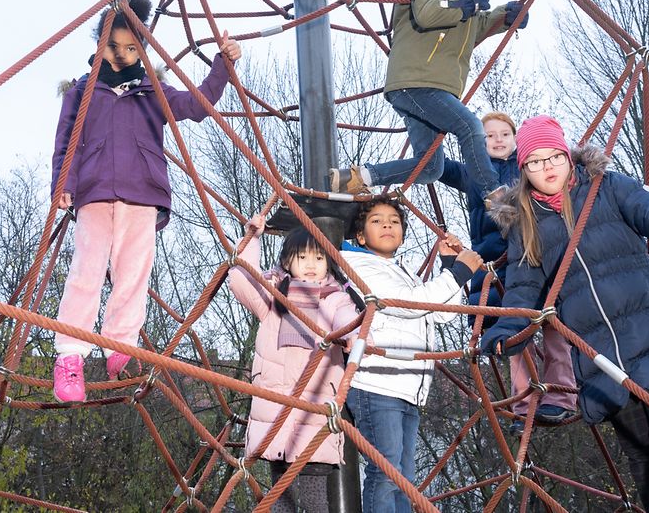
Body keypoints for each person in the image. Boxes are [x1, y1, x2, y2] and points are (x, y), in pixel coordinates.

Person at [480, 115, 649, 512]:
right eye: (534, 162)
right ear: (523, 169)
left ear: (568, 156)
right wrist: (506, 330)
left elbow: (648, 208)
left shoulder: (603, 187)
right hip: (598, 349)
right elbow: (524, 286)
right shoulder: (527, 222)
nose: (546, 168)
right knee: (641, 454)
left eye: (553, 156)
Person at [49, 0, 242, 402]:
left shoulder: (152, 90)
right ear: (99, 45)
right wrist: (62, 185)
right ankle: (70, 356)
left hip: (142, 192)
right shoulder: (82, 91)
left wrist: (222, 65)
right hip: (94, 191)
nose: (121, 54)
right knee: (86, 267)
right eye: (113, 46)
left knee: (133, 272)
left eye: (131, 47)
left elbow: (197, 104)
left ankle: (120, 347)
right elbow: (65, 142)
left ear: (143, 48)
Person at [329, 0, 528, 208]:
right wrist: (462, 2)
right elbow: (428, 11)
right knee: (470, 126)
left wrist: (505, 16)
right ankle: (496, 195)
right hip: (417, 80)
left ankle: (357, 178)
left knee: (431, 167)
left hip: (432, 85)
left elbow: (470, 32)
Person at [437, 112, 576, 435]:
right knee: (514, 336)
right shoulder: (472, 172)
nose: (498, 140)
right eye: (488, 136)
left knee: (555, 324)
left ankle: (560, 397)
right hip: (495, 264)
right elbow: (436, 165)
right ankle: (524, 405)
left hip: (534, 254)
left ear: (516, 140)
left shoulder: (527, 169)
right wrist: (435, 122)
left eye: (505, 134)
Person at [341, 199, 483, 512]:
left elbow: (441, 314)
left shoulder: (400, 271)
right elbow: (408, 305)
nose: (388, 225)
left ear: (404, 233)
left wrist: (448, 266)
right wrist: (459, 271)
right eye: (377, 221)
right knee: (386, 472)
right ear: (360, 236)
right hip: (376, 382)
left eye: (394, 221)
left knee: (403, 479)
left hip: (407, 387)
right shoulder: (358, 266)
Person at [227, 216, 364, 513]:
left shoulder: (336, 297)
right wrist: (252, 238)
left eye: (318, 257)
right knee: (281, 498)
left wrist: (351, 335)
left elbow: (347, 319)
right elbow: (240, 280)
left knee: (316, 498)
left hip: (315, 406)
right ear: (288, 260)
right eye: (302, 257)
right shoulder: (275, 296)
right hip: (277, 407)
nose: (311, 264)